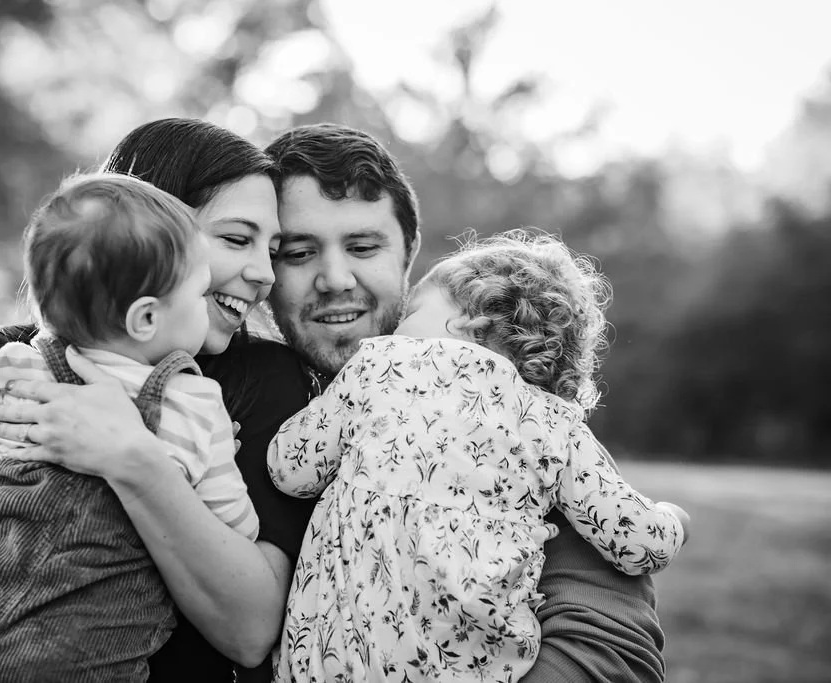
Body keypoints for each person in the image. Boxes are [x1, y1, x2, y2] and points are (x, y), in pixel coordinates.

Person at [0, 120, 666, 683]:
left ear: (411, 258)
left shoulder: (490, 419)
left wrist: (132, 455)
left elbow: (612, 640)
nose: (316, 277)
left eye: (365, 246)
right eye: (284, 248)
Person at [0, 118, 316, 683]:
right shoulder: (0, 367)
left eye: (274, 249)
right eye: (235, 239)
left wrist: (134, 460)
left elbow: (251, 632)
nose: (263, 273)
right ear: (143, 231)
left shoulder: (260, 384)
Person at [267, 230, 690, 682]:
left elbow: (290, 470)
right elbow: (637, 545)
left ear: (471, 322)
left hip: (329, 663)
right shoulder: (555, 425)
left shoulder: (380, 364)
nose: (398, 327)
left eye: (413, 312)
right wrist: (673, 519)